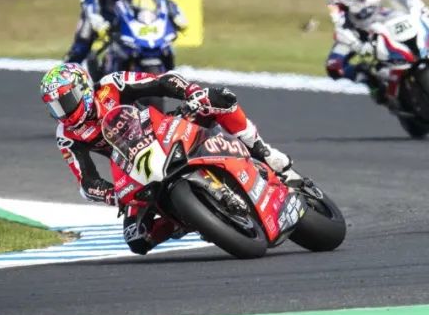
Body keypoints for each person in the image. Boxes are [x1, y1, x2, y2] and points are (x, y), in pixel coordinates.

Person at [40, 63, 294, 254]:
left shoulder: (111, 85)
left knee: (219, 99)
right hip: (133, 169)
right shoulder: (67, 135)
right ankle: (191, 220)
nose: (63, 112)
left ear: (83, 89)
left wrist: (191, 92)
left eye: (65, 101)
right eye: (55, 107)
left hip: (162, 130)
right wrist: (114, 196)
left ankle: (264, 152)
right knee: (137, 239)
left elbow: (162, 81)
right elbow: (86, 182)